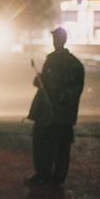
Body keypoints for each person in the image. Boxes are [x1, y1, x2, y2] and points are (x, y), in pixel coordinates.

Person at [26, 27, 84, 186]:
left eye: (56, 38)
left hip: (57, 113)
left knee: (56, 146)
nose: (54, 41)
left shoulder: (71, 64)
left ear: (62, 40)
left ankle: (53, 178)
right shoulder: (62, 62)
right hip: (49, 112)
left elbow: (71, 91)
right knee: (44, 144)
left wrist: (50, 89)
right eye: (54, 38)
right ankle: (45, 175)